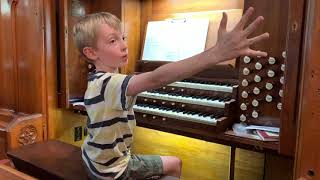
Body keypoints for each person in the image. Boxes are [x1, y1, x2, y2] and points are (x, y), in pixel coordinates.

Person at [73, 7, 269, 180]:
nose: (124, 45)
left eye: (123, 37)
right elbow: (157, 78)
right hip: (111, 171)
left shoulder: (97, 80)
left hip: (93, 158)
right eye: (113, 41)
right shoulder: (110, 83)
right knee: (175, 163)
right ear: (91, 53)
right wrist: (216, 53)